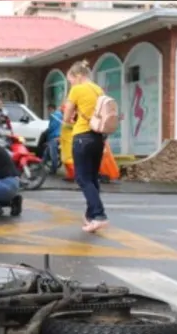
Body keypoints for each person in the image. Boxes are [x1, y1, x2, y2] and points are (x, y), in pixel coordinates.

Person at [65, 59, 108, 233]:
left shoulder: (77, 89)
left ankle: (99, 215)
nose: (71, 83)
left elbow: (67, 115)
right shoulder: (98, 90)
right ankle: (91, 217)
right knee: (92, 177)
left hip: (82, 136)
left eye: (71, 80)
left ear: (78, 76)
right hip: (98, 137)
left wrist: (69, 118)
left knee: (83, 178)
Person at [43, 104, 62, 173]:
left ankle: (54, 169)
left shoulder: (55, 115)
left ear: (51, 109)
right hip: (56, 136)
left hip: (54, 137)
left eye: (49, 109)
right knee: (46, 153)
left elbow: (52, 126)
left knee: (53, 154)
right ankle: (40, 167)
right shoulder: (59, 115)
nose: (48, 111)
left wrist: (47, 131)